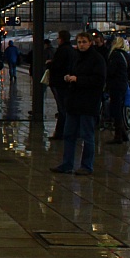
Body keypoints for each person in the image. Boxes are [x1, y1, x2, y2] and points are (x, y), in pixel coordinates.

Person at [51, 32, 106, 175]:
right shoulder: (77, 58)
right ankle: (67, 164)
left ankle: (87, 166)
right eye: (79, 42)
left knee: (87, 135)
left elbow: (99, 80)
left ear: (90, 43)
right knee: (69, 134)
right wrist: (68, 77)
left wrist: (78, 79)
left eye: (84, 42)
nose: (81, 45)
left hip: (88, 104)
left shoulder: (97, 59)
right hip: (74, 103)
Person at [105, 37, 130, 145]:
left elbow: (111, 71)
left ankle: (118, 135)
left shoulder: (115, 55)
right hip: (123, 83)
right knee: (119, 108)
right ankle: (123, 133)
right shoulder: (125, 54)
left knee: (115, 109)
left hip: (115, 84)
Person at [47, 30, 72, 139]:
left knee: (62, 109)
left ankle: (60, 133)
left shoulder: (61, 50)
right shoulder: (72, 50)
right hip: (68, 83)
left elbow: (57, 66)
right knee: (66, 108)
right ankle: (67, 131)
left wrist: (50, 64)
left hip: (59, 83)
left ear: (61, 39)